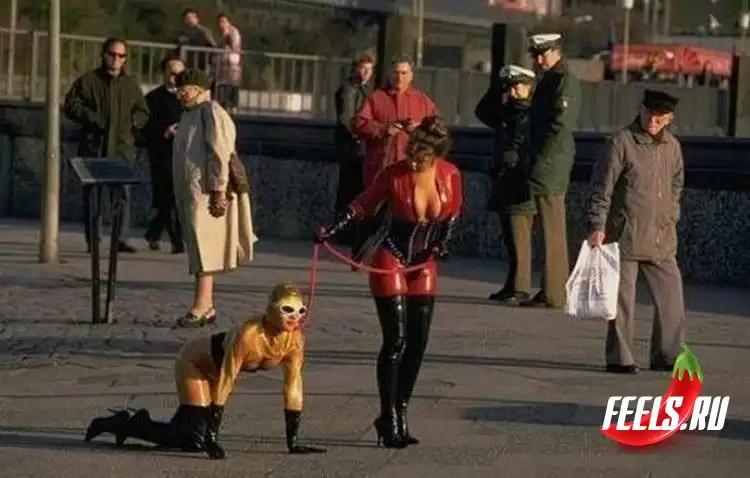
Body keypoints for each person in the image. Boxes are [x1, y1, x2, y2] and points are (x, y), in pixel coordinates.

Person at [315, 116, 463, 449]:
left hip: (424, 262)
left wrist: (442, 244)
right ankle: (388, 414)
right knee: (395, 341)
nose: (415, 163)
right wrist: (332, 229)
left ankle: (400, 411)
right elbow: (362, 204)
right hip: (391, 255)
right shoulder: (394, 174)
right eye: (412, 155)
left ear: (436, 156)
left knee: (418, 344)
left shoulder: (451, 174)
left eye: (422, 158)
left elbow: (452, 215)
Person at [83, 283, 326, 458]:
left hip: (215, 371)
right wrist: (212, 437)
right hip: (196, 363)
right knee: (193, 439)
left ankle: (135, 424)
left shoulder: (295, 340)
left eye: (301, 311)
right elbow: (227, 379)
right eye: (287, 309)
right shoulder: (249, 335)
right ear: (271, 309)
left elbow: (293, 385)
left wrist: (293, 442)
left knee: (190, 436)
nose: (295, 317)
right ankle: (126, 424)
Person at [588, 90, 686, 375]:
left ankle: (667, 355)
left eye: (660, 118)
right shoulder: (621, 142)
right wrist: (597, 226)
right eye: (649, 115)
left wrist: (672, 213)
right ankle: (620, 358)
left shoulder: (672, 146)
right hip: (625, 233)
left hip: (662, 236)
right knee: (622, 302)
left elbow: (677, 183)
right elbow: (602, 187)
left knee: (672, 299)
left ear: (670, 118)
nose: (653, 122)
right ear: (641, 110)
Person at [171, 69, 257, 328]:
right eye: (179, 88)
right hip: (193, 190)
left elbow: (220, 150)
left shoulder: (210, 111)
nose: (180, 92)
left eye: (185, 88)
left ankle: (202, 305)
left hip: (207, 192)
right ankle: (205, 304)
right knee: (198, 246)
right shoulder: (189, 114)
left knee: (204, 246)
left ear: (199, 89)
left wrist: (218, 189)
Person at [63, 37, 149, 254]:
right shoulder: (88, 80)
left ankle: (121, 238)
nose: (116, 59)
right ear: (104, 55)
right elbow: (71, 104)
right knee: (93, 198)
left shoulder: (130, 85)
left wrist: (132, 123)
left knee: (122, 196)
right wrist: (93, 118)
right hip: (94, 148)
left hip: (122, 148)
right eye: (112, 54)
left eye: (121, 55)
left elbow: (143, 111)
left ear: (125, 59)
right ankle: (93, 239)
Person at [522, 33, 581, 309]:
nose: (538, 59)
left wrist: (541, 160)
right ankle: (551, 288)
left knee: (552, 228)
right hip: (546, 160)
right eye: (536, 54)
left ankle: (555, 292)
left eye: (543, 53)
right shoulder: (551, 79)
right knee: (547, 228)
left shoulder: (563, 81)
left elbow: (560, 126)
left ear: (557, 51)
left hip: (551, 162)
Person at [475, 65, 537, 306]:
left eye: (517, 86)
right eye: (509, 88)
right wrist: (496, 88)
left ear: (529, 87)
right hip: (505, 180)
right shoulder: (508, 111)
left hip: (520, 181)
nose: (512, 92)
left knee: (520, 236)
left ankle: (521, 287)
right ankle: (512, 284)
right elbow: (482, 112)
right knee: (511, 237)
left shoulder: (530, 114)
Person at [354, 55, 437, 188]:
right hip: (381, 169)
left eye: (404, 73)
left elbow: (437, 128)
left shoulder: (422, 101)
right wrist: (384, 129)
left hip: (411, 171)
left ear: (411, 75)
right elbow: (359, 124)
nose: (399, 77)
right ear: (390, 75)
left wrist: (418, 129)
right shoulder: (376, 98)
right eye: (396, 72)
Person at [143, 56, 186, 254]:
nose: (176, 77)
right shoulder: (153, 99)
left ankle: (153, 232)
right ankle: (177, 241)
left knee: (173, 199)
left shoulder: (187, 97)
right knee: (167, 199)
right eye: (172, 72)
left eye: (180, 73)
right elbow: (145, 128)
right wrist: (165, 132)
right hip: (162, 153)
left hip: (184, 153)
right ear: (164, 73)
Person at [333, 55, 374, 248]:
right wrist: (359, 134)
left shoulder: (364, 90)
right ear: (355, 69)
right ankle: (344, 230)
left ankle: (349, 229)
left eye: (369, 69)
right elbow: (346, 119)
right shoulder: (348, 89)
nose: (366, 73)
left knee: (355, 188)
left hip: (358, 144)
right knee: (349, 188)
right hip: (351, 146)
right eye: (363, 68)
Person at [214, 13, 242, 111]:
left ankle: (232, 106)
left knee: (232, 85)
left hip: (232, 63)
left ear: (229, 22)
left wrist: (226, 34)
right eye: (219, 22)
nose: (221, 24)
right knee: (222, 86)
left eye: (224, 22)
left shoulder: (233, 31)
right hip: (222, 65)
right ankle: (224, 105)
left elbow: (235, 45)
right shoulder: (219, 33)